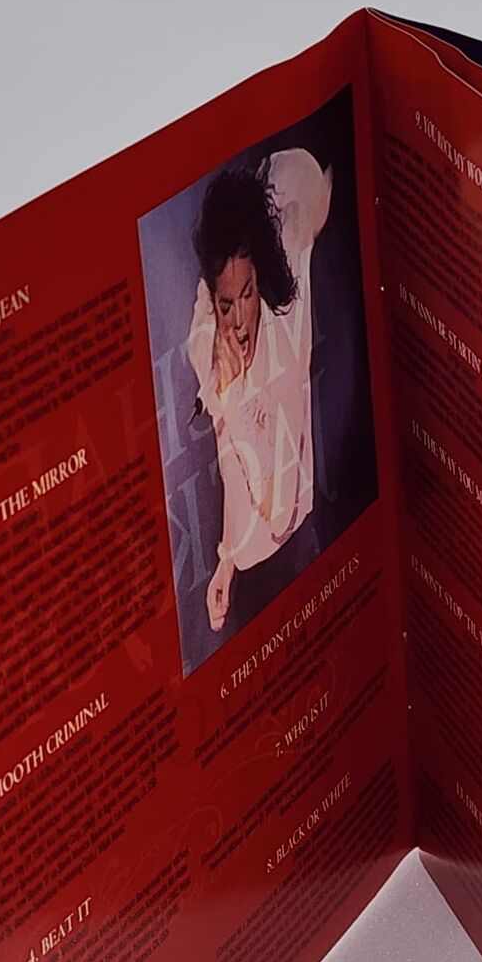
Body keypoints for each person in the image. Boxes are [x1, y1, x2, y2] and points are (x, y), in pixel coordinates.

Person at [187, 149, 332, 631]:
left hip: (293, 562)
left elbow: (277, 513)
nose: (236, 322)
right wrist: (228, 558)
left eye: (247, 295)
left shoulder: (282, 351)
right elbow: (232, 456)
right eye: (225, 303)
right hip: (248, 580)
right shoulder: (211, 331)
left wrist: (233, 400)